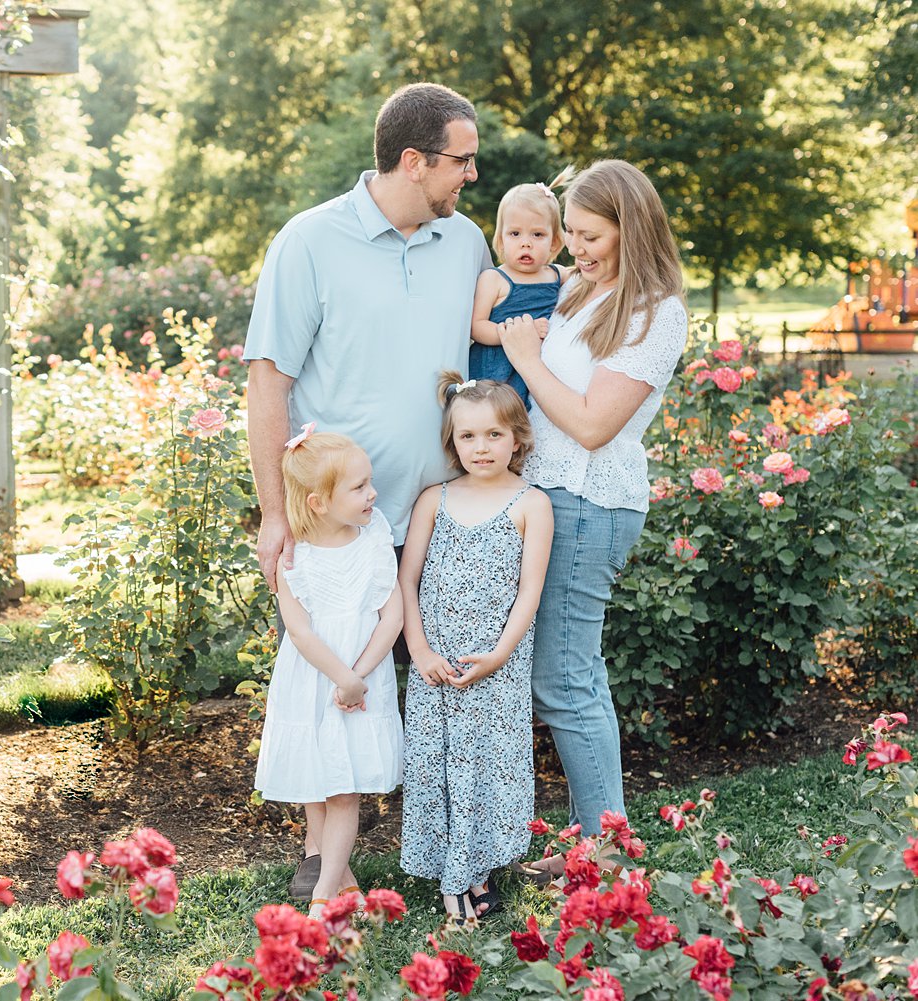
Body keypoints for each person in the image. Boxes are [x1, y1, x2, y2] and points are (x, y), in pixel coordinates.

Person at [244, 81, 492, 900]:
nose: (472, 177)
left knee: (448, 681)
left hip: (445, 514)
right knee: (331, 682)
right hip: (339, 523)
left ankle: (459, 852)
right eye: (462, 161)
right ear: (413, 160)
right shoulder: (309, 241)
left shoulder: (464, 243)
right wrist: (276, 517)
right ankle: (326, 857)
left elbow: (502, 340)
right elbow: (268, 382)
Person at [496, 160, 688, 874]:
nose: (574, 247)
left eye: (589, 235)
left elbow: (590, 423)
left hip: (590, 498)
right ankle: (592, 835)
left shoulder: (654, 311)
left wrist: (524, 353)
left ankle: (605, 848)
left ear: (630, 228)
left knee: (565, 675)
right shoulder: (582, 288)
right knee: (569, 673)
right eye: (570, 232)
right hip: (548, 496)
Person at [397, 373, 552, 921]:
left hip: (495, 665)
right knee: (438, 765)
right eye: (467, 437)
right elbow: (407, 580)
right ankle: (449, 869)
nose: (480, 448)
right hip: (436, 664)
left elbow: (529, 591)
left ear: (517, 439)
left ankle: (479, 867)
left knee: (488, 765)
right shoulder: (434, 499)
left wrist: (500, 655)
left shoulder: (531, 503)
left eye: (492, 435)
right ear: (451, 441)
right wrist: (417, 649)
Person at [253, 429, 404, 917]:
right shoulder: (293, 561)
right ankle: (343, 880)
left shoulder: (374, 540)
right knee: (317, 778)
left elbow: (393, 617)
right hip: (314, 678)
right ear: (318, 502)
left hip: (361, 678)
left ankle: (322, 901)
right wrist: (342, 676)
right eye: (359, 488)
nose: (372, 494)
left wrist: (358, 676)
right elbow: (298, 632)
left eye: (369, 483)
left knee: (344, 786)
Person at [469, 179, 574, 409]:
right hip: (496, 373)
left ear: (555, 242)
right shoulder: (494, 279)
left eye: (537, 235)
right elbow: (476, 326)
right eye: (515, 234)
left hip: (537, 374)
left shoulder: (557, 275)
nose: (526, 243)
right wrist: (519, 333)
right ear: (501, 240)